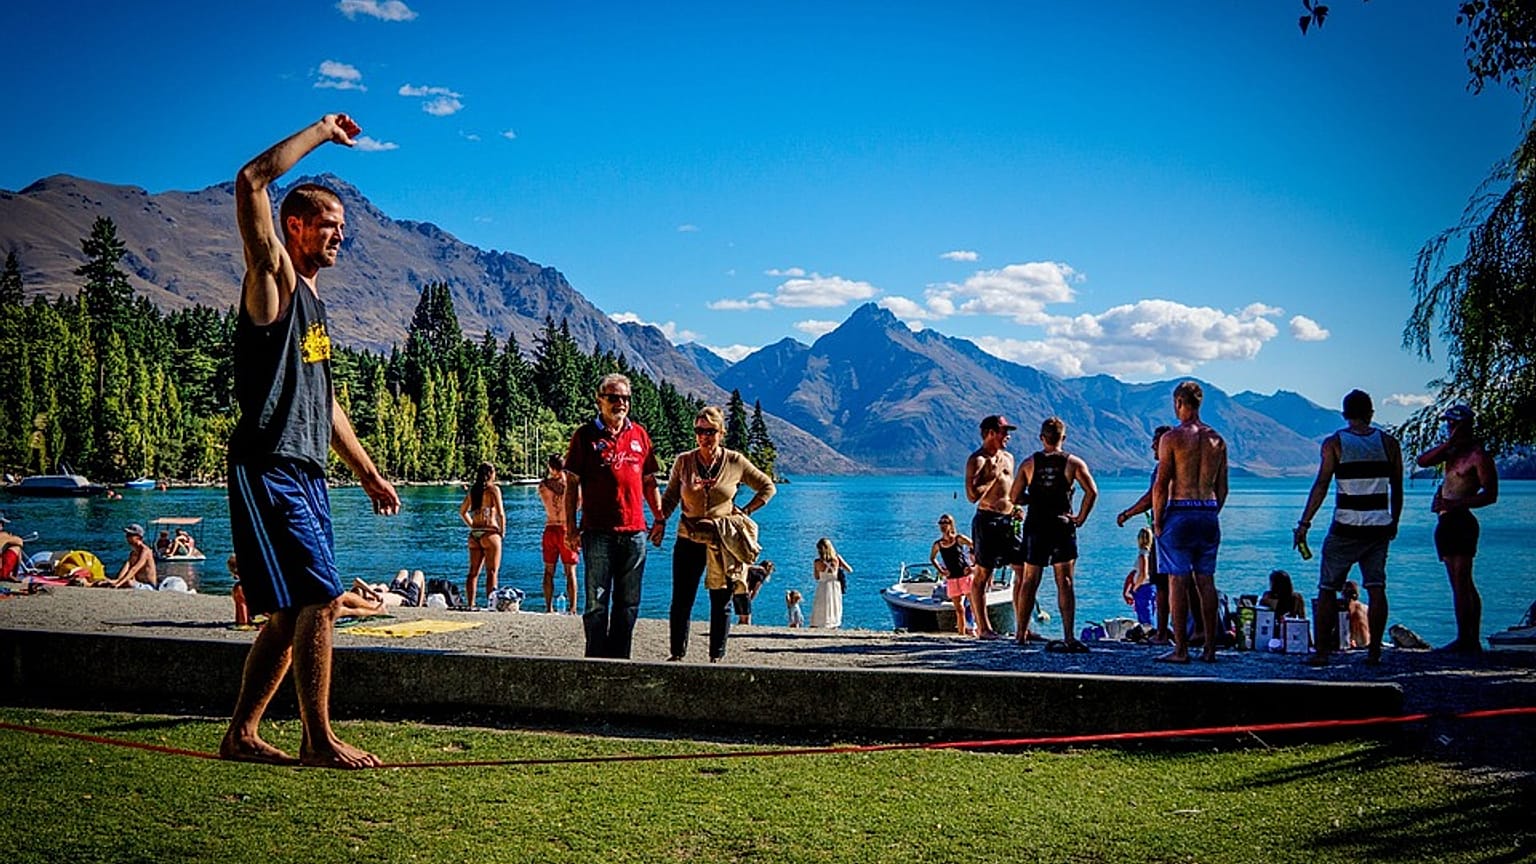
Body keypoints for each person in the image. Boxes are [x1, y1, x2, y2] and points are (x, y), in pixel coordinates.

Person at [220, 114, 401, 769]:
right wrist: (323, 131)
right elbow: (250, 180)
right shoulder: (274, 281)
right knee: (320, 601)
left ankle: (241, 735)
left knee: (288, 615)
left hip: (307, 471)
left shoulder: (317, 314)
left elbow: (322, 400)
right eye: (329, 225)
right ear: (294, 226)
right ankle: (318, 739)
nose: (339, 237)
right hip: (267, 466)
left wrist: (368, 471)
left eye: (343, 229)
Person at [653, 406, 776, 662]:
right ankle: (677, 654)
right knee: (681, 599)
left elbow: (767, 486)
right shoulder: (684, 461)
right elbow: (671, 496)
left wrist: (745, 511)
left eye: (710, 431)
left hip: (723, 542)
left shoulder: (735, 461)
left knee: (721, 601)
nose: (704, 436)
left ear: (721, 432)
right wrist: (659, 521)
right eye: (699, 431)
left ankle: (716, 657)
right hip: (688, 537)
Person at [1294, 389, 1402, 665]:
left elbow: (1321, 485)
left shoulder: (1335, 443)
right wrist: (1394, 521)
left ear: (1344, 415)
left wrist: (1304, 523)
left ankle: (1321, 653)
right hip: (1379, 526)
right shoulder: (1389, 443)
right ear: (1371, 413)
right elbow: (1398, 488)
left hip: (1345, 527)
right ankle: (1374, 650)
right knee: (1376, 587)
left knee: (1328, 588)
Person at [564, 373, 663, 659]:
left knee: (629, 602)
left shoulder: (640, 435)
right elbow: (571, 485)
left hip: (635, 532)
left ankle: (620, 660)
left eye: (624, 398)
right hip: (597, 531)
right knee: (596, 601)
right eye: (613, 397)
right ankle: (596, 660)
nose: (620, 403)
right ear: (600, 400)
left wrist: (659, 518)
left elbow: (649, 482)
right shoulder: (585, 436)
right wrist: (570, 528)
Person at [1152, 381, 1228, 663]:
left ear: (1179, 403)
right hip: (1207, 512)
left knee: (1177, 581)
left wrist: (1159, 521)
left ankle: (1181, 649)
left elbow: (1161, 484)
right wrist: (1210, 512)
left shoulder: (1171, 438)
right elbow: (1223, 488)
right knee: (1206, 582)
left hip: (1180, 511)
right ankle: (1210, 648)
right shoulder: (1217, 440)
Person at [1009, 417, 1099, 652]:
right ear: (1063, 438)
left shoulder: (1029, 464)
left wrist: (1035, 499)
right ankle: (1068, 636)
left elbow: (1014, 497)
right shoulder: (1073, 463)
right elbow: (1092, 492)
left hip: (1036, 526)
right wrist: (1080, 517)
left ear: (1042, 438)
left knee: (1029, 580)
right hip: (1061, 525)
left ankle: (1020, 634)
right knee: (1065, 582)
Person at [1416, 404, 1499, 653]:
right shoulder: (1452, 454)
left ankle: (1468, 638)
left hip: (1461, 520)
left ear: (1463, 425)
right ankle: (1466, 637)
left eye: (1453, 423)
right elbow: (1423, 460)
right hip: (1445, 521)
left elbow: (1491, 494)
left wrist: (1456, 503)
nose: (1449, 427)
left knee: (1463, 581)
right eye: (1449, 423)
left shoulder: (1478, 456)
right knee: (1456, 582)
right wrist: (1449, 443)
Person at [964, 414, 1022, 639]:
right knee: (983, 575)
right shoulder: (977, 460)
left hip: (1009, 521)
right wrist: (993, 475)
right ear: (990, 433)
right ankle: (984, 628)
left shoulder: (1009, 457)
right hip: (987, 520)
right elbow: (971, 495)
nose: (1007, 436)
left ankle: (1023, 627)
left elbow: (1011, 488)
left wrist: (1016, 505)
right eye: (1003, 432)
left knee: (1023, 571)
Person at [1116, 426, 1174, 643]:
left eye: (1156, 441)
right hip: (1178, 529)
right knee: (1180, 581)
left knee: (1162, 583)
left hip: (1165, 531)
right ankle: (1181, 630)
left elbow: (1152, 497)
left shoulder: (1162, 469)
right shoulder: (1183, 468)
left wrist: (1127, 514)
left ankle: (1160, 633)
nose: (1152, 446)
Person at [458, 461, 506, 609]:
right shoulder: (493, 490)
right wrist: (502, 531)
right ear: (491, 474)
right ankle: (491, 605)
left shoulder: (474, 491)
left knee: (473, 572)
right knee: (492, 572)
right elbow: (501, 513)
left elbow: (462, 512)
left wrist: (473, 525)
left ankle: (471, 603)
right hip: (490, 532)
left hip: (475, 534)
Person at [538, 454, 579, 613]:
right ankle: (573, 608)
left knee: (549, 570)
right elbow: (577, 505)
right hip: (566, 528)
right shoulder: (572, 485)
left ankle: (549, 608)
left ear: (550, 467)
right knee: (570, 571)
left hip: (550, 528)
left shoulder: (543, 486)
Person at [929, 514, 976, 635]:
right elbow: (932, 558)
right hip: (952, 579)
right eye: (941, 523)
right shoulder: (938, 544)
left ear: (951, 524)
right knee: (959, 609)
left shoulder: (959, 539)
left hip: (965, 576)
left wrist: (973, 567)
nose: (943, 525)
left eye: (946, 522)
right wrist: (941, 571)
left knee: (974, 605)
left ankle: (980, 630)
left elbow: (976, 547)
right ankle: (962, 634)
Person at [810, 538, 851, 628]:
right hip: (834, 585)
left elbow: (816, 577)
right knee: (834, 605)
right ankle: (833, 623)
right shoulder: (837, 559)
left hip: (823, 585)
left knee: (820, 605)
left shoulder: (817, 562)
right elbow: (849, 570)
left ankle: (818, 623)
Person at [102, 523, 158, 589]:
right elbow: (126, 567)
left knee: (128, 582)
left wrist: (119, 584)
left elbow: (134, 569)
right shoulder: (133, 553)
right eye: (127, 535)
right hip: (138, 583)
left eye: (129, 535)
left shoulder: (145, 551)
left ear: (138, 537)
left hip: (149, 586)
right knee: (104, 583)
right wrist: (117, 580)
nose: (127, 537)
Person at [1121, 527, 1156, 627]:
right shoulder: (1152, 554)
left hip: (1143, 587)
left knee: (1144, 613)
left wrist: (1136, 587)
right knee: (1150, 611)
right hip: (1151, 587)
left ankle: (1148, 632)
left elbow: (1143, 573)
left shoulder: (1143, 554)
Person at [736, 560, 775, 625]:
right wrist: (750, 599)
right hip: (745, 593)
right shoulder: (762, 575)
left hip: (737, 592)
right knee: (747, 619)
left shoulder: (751, 569)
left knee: (741, 618)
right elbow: (756, 590)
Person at [1342, 580, 1370, 649]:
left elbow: (1349, 626)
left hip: (1356, 644)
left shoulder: (1346, 607)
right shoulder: (1366, 607)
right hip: (1368, 642)